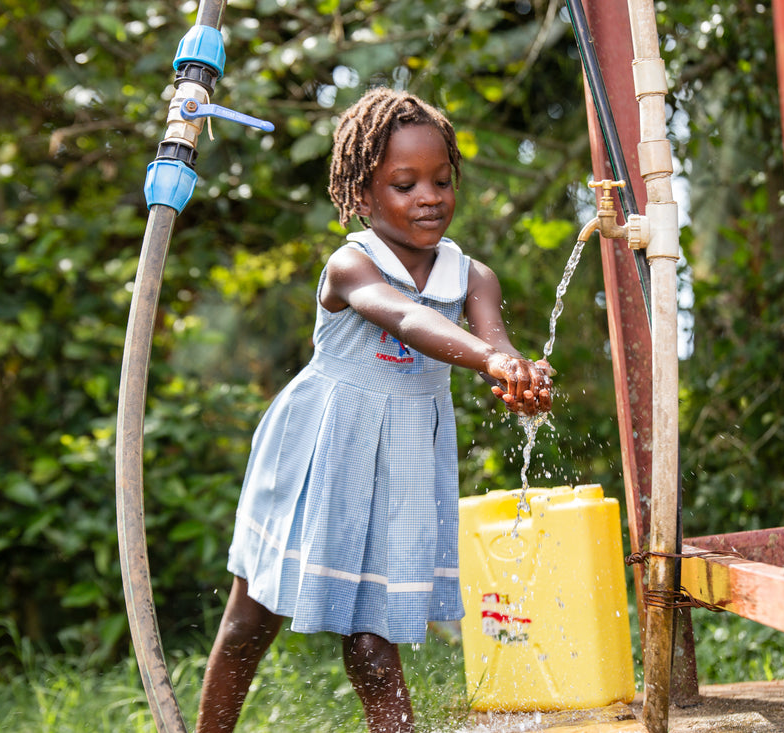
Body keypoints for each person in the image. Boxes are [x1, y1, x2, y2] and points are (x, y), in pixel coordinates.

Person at [194, 87, 553, 733]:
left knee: (373, 644)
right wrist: (491, 362)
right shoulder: (351, 263)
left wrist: (522, 372)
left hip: (400, 473)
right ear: (362, 196)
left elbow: (496, 341)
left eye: (442, 180)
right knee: (252, 617)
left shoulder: (472, 276)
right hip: (318, 456)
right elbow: (407, 317)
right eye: (404, 183)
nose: (429, 197)